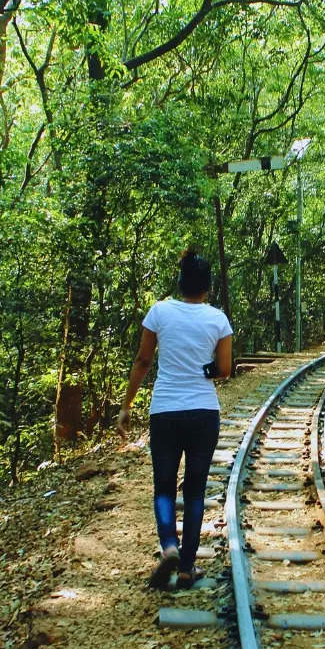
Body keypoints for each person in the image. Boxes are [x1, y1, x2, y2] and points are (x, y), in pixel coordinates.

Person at [118, 250, 232, 589]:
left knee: (164, 485)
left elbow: (142, 361)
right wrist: (203, 370)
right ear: (207, 288)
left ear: (179, 283)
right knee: (195, 490)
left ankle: (169, 545)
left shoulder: (160, 312)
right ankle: (186, 567)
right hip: (203, 413)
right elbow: (224, 370)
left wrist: (126, 405)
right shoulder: (217, 320)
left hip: (165, 411)